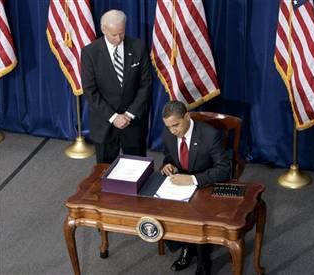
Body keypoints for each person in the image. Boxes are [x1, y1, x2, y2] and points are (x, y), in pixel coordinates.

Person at [161, 100, 231, 275]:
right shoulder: (168, 133)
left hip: (205, 185)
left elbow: (225, 170)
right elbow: (168, 156)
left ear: (186, 116)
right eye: (169, 127)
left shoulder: (210, 135)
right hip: (178, 185)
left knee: (195, 215)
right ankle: (186, 247)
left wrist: (192, 179)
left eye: (175, 125)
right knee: (161, 209)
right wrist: (168, 165)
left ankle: (203, 258)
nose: (172, 131)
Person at [81, 9, 152, 163]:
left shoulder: (138, 46)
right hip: (105, 123)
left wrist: (129, 114)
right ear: (103, 29)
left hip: (133, 122)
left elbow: (145, 84)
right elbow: (90, 91)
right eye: (113, 34)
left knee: (136, 167)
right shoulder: (89, 53)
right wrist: (114, 117)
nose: (118, 38)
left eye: (121, 33)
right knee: (105, 171)